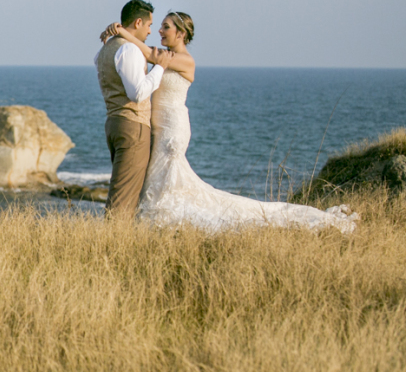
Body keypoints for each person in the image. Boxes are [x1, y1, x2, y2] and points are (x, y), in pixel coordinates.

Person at [99, 12, 357, 233]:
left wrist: (122, 32)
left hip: (173, 127)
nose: (160, 31)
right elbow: (146, 57)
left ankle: (159, 218)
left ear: (181, 34)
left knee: (167, 172)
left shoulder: (185, 60)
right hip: (157, 125)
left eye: (166, 27)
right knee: (160, 175)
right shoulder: (164, 55)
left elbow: (146, 53)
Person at [94, 0, 174, 216]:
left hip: (114, 123)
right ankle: (113, 244)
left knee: (122, 191)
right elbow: (137, 93)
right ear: (138, 22)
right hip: (133, 126)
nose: (150, 31)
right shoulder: (128, 49)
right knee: (124, 200)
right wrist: (159, 68)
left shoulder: (104, 50)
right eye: (149, 25)